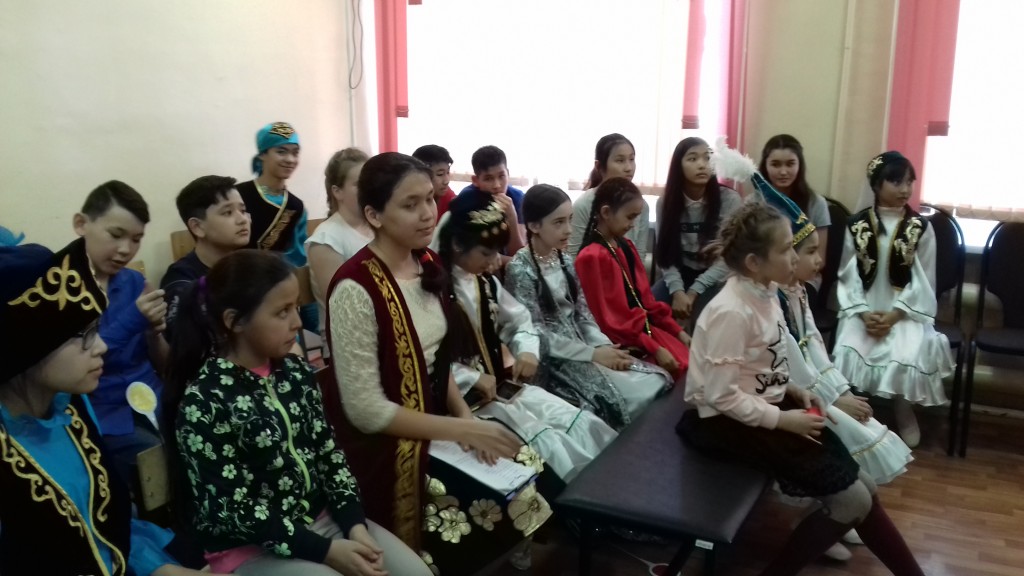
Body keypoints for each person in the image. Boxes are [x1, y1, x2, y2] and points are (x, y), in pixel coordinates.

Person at [325, 152, 551, 575]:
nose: (429, 213)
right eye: (410, 205)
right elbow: (365, 411)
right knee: (475, 502)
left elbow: (435, 361)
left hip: (434, 420)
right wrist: (462, 429)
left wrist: (465, 418)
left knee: (524, 461)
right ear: (374, 215)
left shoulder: (426, 263)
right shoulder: (355, 288)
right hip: (386, 445)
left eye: (429, 198)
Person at [677, 198, 926, 576]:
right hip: (725, 424)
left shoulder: (765, 292)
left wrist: (792, 388)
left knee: (865, 489)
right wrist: (784, 420)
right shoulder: (731, 310)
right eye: (785, 249)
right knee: (852, 502)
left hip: (763, 409)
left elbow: (761, 364)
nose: (795, 257)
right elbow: (720, 395)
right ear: (754, 262)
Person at [165, 249, 430, 575]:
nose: (297, 322)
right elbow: (232, 510)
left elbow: (330, 456)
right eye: (282, 312)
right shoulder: (204, 401)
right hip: (254, 548)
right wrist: (325, 551)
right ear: (235, 321)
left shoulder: (296, 373)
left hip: (325, 522)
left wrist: (355, 526)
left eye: (296, 307)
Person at [0, 238, 212, 576]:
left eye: (96, 329)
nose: (100, 346)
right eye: (83, 335)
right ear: (29, 345)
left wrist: (162, 570)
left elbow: (109, 527)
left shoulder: (71, 409)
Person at [768, 177, 914, 562]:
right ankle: (825, 515)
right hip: (791, 398)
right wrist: (834, 402)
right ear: (786, 256)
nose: (819, 260)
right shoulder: (773, 302)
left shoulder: (798, 293)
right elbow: (792, 366)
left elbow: (816, 349)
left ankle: (842, 510)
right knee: (840, 431)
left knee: (858, 426)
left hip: (814, 390)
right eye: (810, 253)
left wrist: (841, 391)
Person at [437, 193, 618, 486]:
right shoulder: (434, 291)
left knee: (575, 420)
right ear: (457, 245)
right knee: (548, 444)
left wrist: (526, 351)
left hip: (500, 389)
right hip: (463, 403)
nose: (495, 261)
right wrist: (471, 378)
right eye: (486, 253)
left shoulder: (483, 281)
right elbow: (426, 358)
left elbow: (518, 319)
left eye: (496, 252)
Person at [505, 184, 671, 430]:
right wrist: (593, 354)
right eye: (559, 222)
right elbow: (536, 333)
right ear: (534, 226)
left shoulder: (564, 259)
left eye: (570, 220)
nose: (569, 230)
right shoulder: (520, 269)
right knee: (618, 400)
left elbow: (583, 314)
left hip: (585, 346)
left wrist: (604, 347)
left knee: (656, 380)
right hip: (555, 359)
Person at [832, 151, 953, 448]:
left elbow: (924, 279)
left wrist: (895, 315)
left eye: (909, 182)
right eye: (896, 181)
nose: (905, 189)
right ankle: (853, 411)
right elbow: (848, 274)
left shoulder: (920, 228)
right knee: (848, 348)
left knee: (905, 353)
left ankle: (903, 408)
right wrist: (863, 313)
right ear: (876, 184)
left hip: (905, 312)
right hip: (864, 310)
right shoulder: (857, 225)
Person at [76, 181, 168, 486]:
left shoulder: (134, 283)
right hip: (104, 411)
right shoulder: (62, 290)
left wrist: (154, 333)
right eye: (116, 235)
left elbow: (164, 365)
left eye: (136, 240)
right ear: (81, 224)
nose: (126, 249)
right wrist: (134, 320)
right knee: (156, 457)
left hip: (154, 395)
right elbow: (78, 362)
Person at [575, 177, 690, 379]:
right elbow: (609, 321)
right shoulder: (591, 257)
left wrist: (678, 332)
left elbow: (646, 302)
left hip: (640, 332)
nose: (632, 224)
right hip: (617, 341)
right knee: (680, 370)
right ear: (606, 213)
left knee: (692, 364)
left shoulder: (625, 246)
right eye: (629, 217)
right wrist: (654, 348)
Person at [236, 122, 318, 331]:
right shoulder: (239, 196)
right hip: (239, 288)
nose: (290, 159)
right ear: (263, 154)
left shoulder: (296, 207)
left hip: (278, 288)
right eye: (281, 152)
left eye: (295, 153)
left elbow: (297, 258)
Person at [653, 137, 743, 318]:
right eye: (693, 159)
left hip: (717, 276)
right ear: (678, 166)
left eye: (707, 158)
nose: (702, 165)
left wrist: (694, 291)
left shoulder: (730, 200)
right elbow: (665, 254)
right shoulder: (665, 203)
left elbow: (728, 258)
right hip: (681, 272)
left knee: (708, 315)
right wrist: (678, 291)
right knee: (652, 310)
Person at [162, 175, 251, 341]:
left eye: (243, 211)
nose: (242, 220)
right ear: (197, 227)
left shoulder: (251, 266)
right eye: (228, 212)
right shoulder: (182, 282)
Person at [306, 148, 372, 338]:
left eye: (370, 182)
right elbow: (341, 307)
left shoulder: (378, 227)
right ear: (337, 191)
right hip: (348, 339)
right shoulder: (326, 240)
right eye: (359, 184)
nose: (368, 189)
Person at [568, 133, 650, 260]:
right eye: (620, 160)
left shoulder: (641, 205)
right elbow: (574, 256)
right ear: (599, 166)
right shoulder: (583, 204)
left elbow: (639, 255)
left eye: (632, 159)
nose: (629, 168)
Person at [758, 134, 831, 271]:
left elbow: (819, 259)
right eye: (775, 164)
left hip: (805, 275)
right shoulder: (754, 203)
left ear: (799, 165)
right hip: (763, 274)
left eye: (790, 164)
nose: (783, 172)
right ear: (765, 166)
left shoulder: (817, 203)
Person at [456, 145, 526, 261]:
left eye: (501, 176)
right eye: (488, 179)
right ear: (475, 180)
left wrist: (512, 217)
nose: (497, 185)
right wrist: (514, 262)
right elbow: (473, 256)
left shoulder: (517, 197)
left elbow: (517, 252)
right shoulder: (467, 199)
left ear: (508, 174)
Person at [412, 144, 456, 220]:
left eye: (448, 172)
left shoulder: (447, 195)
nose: (446, 181)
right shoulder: (409, 201)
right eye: (440, 174)